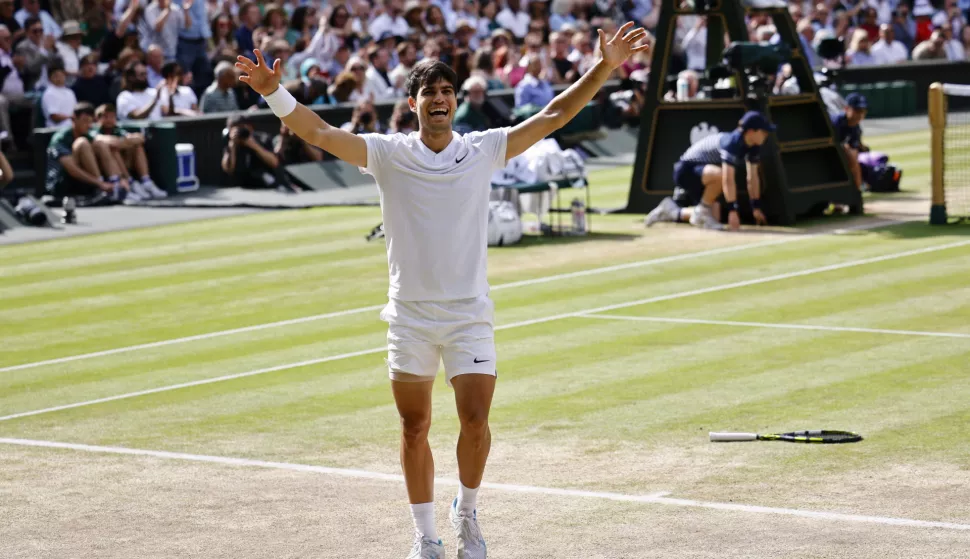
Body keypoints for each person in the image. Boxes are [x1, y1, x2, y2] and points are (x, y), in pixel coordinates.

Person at [235, 21, 649, 559]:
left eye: (447, 92)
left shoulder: (482, 149)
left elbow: (554, 115)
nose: (440, 99)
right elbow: (317, 132)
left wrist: (606, 66)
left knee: (475, 421)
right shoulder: (386, 153)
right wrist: (273, 92)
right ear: (413, 103)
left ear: (455, 104)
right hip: (409, 317)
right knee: (414, 428)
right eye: (429, 92)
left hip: (468, 315)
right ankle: (425, 536)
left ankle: (468, 514)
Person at [644, 111, 774, 231]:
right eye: (764, 132)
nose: (766, 135)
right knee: (721, 176)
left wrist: (756, 207)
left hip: (706, 175)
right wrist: (733, 211)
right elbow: (727, 179)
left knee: (714, 218)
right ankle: (700, 211)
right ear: (751, 132)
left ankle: (670, 211)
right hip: (686, 171)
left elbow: (752, 178)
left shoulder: (753, 147)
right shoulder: (731, 143)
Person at [45, 102, 134, 204]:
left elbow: (106, 141)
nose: (88, 125)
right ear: (74, 119)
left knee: (100, 144)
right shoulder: (60, 139)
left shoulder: (88, 133)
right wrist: (100, 183)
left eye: (90, 121)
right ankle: (102, 188)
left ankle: (117, 184)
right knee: (82, 143)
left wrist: (122, 178)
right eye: (85, 121)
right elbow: (72, 170)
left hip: (85, 184)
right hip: (60, 185)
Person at [93, 103, 168, 199]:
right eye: (105, 117)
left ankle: (146, 182)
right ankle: (128, 183)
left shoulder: (118, 130)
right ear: (98, 119)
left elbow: (139, 138)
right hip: (105, 169)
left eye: (112, 117)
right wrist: (124, 142)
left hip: (124, 164)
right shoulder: (95, 130)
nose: (109, 120)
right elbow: (108, 141)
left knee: (137, 147)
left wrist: (123, 142)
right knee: (114, 149)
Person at [221, 112, 285, 190]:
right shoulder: (229, 142)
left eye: (241, 128)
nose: (238, 132)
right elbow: (228, 169)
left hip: (265, 185)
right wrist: (233, 146)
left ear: (250, 127)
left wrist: (253, 145)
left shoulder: (262, 138)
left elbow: (275, 163)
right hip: (240, 188)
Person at [832, 92, 868, 192]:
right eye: (857, 110)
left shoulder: (856, 127)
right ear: (847, 109)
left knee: (853, 157)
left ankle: (857, 193)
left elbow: (854, 149)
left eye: (863, 111)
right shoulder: (835, 122)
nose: (860, 115)